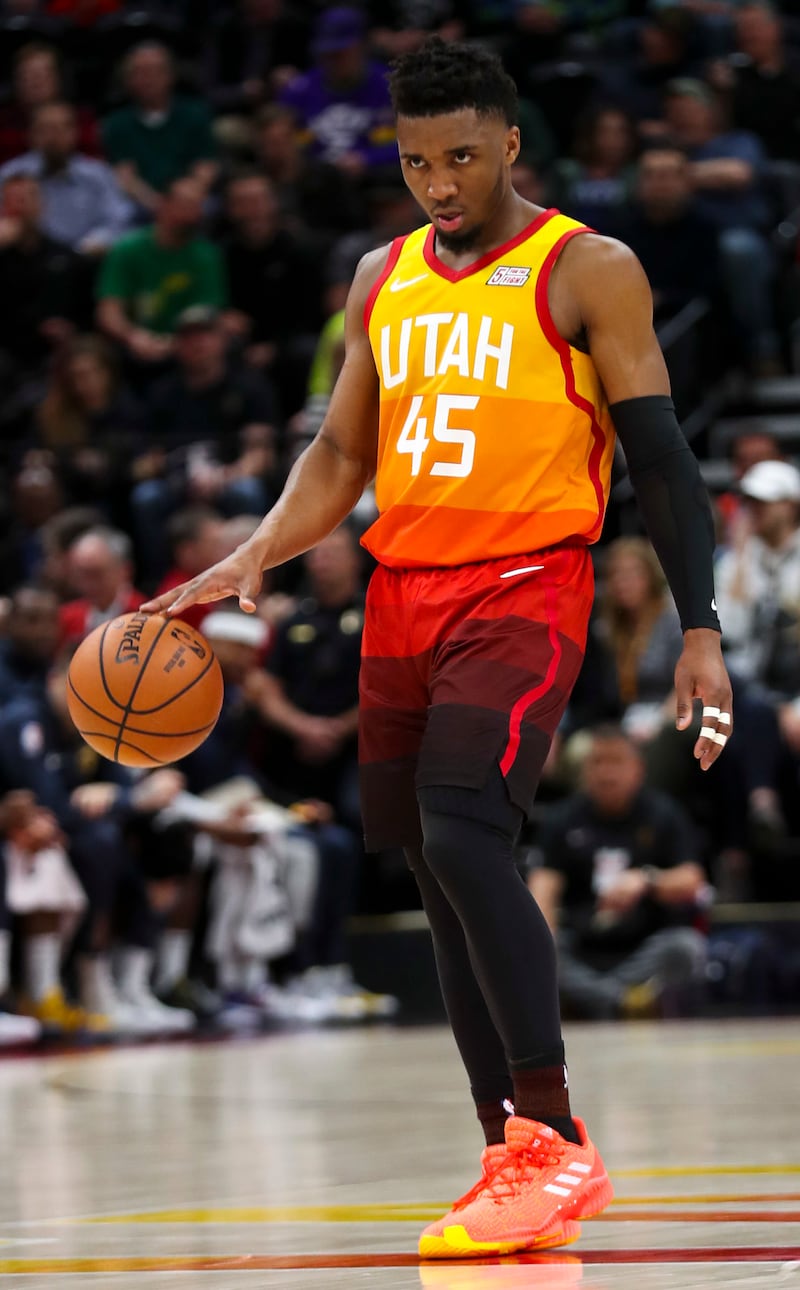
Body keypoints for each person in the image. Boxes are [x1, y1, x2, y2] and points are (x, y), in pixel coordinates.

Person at [143, 37, 733, 1259]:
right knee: (432, 869)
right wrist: (251, 554)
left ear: (511, 142)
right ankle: (502, 1155)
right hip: (402, 597)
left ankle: (553, 1138)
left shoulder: (585, 268)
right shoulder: (381, 276)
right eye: (417, 163)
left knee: (469, 831)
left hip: (526, 585)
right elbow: (340, 461)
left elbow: (664, 463)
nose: (441, 184)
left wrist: (700, 628)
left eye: (462, 156)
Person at [529, 726, 709, 1021]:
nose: (606, 773)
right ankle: (622, 1002)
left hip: (643, 947)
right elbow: (542, 890)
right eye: (597, 762)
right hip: (583, 945)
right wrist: (541, 937)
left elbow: (692, 879)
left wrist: (647, 880)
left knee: (687, 948)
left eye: (616, 762)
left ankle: (597, 1001)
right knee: (536, 951)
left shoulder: (663, 814)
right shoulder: (562, 820)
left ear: (638, 768)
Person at [95, 176, 227, 368]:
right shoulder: (127, 250)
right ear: (162, 205)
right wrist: (133, 337)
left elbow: (208, 312)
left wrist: (176, 344)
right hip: (132, 347)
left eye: (198, 206)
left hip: (187, 349)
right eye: (187, 205)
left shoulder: (206, 255)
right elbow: (109, 312)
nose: (195, 214)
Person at [102, 41, 217, 217]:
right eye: (140, 73)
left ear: (170, 75)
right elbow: (125, 177)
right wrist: (158, 205)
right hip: (142, 203)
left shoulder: (195, 114)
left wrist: (184, 198)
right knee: (121, 212)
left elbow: (205, 167)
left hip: (189, 198)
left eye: (156, 71)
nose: (149, 79)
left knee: (210, 208)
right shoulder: (116, 124)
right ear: (128, 80)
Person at [0, 101, 132, 254]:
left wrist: (93, 243)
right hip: (24, 259)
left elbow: (119, 221)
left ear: (74, 133)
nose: (54, 137)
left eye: (61, 129)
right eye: (46, 129)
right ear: (32, 135)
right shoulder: (10, 175)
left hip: (84, 260)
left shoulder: (98, 175)